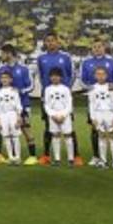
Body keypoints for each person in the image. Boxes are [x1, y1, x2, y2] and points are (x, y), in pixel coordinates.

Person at [80, 37, 113, 167]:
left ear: (104, 47)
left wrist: (111, 86)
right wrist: (93, 88)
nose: (97, 49)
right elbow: (82, 81)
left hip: (110, 100)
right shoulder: (86, 62)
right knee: (95, 129)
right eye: (95, 47)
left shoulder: (112, 62)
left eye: (99, 46)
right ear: (92, 48)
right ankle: (97, 157)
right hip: (95, 101)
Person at [36, 32, 80, 166]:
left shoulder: (65, 57)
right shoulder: (41, 58)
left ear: (58, 42)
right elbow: (40, 76)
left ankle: (75, 156)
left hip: (63, 97)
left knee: (69, 127)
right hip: (48, 97)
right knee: (49, 127)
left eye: (53, 41)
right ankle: (47, 155)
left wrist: (65, 89)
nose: (50, 43)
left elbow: (72, 74)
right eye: (48, 41)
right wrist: (47, 91)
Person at [0, 44, 39, 165]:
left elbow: (31, 86)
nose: (1, 56)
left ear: (9, 53)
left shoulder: (23, 69)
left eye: (3, 53)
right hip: (7, 109)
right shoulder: (1, 70)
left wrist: (20, 91)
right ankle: (13, 156)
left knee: (26, 128)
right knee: (9, 131)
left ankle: (33, 156)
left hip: (23, 104)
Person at [87, 66, 113, 169]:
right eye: (98, 74)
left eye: (103, 74)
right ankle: (103, 160)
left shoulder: (111, 87)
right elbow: (91, 105)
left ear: (106, 75)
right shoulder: (92, 88)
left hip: (110, 114)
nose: (100, 76)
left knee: (112, 136)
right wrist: (93, 118)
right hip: (98, 114)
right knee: (101, 136)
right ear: (95, 76)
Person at [42, 68, 75, 166]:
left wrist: (64, 115)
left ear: (60, 77)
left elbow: (69, 103)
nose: (54, 78)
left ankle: (71, 159)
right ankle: (57, 159)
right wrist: (52, 115)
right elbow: (46, 104)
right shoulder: (47, 89)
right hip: (53, 116)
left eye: (56, 76)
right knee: (55, 136)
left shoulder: (65, 89)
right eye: (52, 76)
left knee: (68, 136)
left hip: (65, 115)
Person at [0, 71, 24, 165]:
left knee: (15, 136)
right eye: (2, 78)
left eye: (6, 78)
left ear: (11, 80)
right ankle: (10, 157)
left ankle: (17, 157)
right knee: (6, 136)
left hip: (13, 114)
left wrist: (19, 117)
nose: (4, 79)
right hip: (3, 115)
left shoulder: (14, 91)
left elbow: (18, 105)